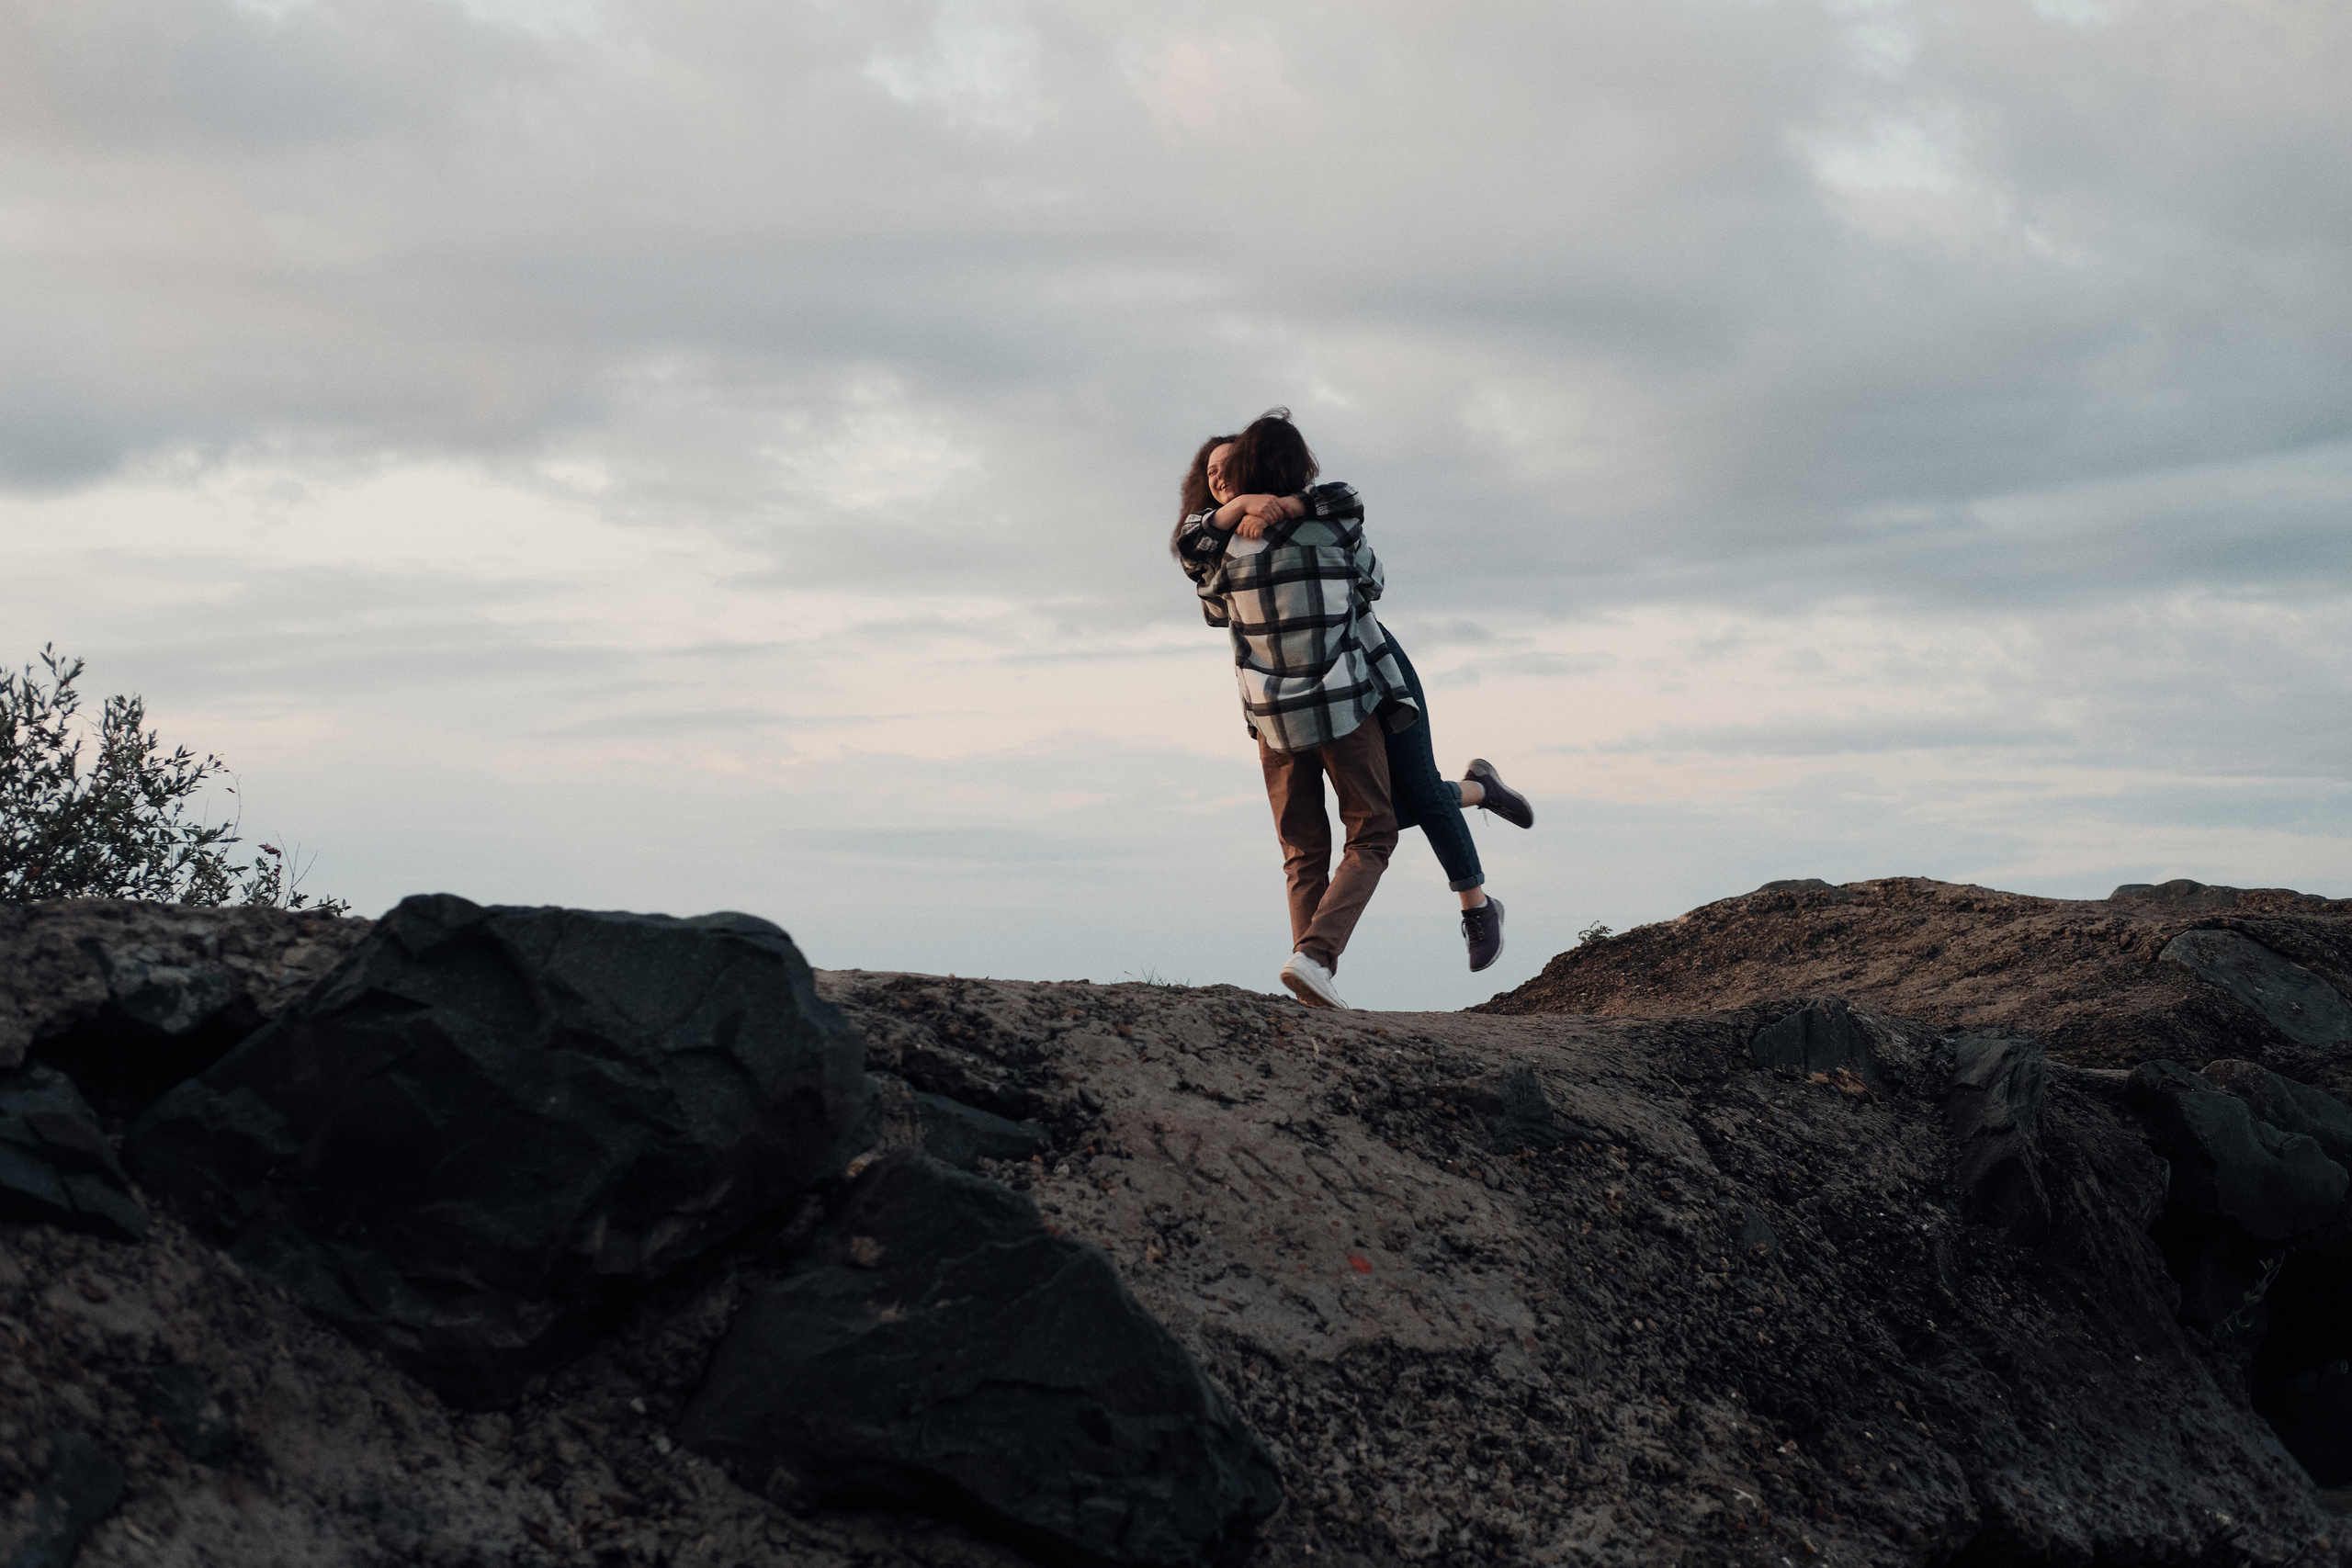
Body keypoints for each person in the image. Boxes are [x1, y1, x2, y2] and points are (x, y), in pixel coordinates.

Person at [1173, 411, 1534, 1003]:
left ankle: (1309, 970)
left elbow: (1211, 602)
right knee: (1372, 832)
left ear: (1242, 472)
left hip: (1271, 719)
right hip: (1346, 702)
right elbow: (1370, 579)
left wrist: (1245, 520)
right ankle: (1315, 959)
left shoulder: (1214, 554)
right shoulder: (1335, 527)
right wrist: (1289, 514)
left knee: (1303, 851)